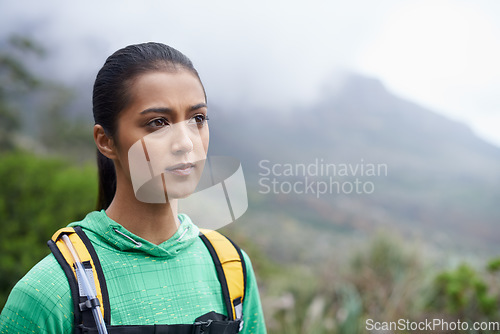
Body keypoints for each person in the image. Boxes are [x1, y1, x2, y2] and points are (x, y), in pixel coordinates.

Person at [0, 42, 266, 333]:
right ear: (106, 140)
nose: (186, 143)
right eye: (157, 123)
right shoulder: (49, 293)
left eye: (197, 119)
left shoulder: (231, 269)